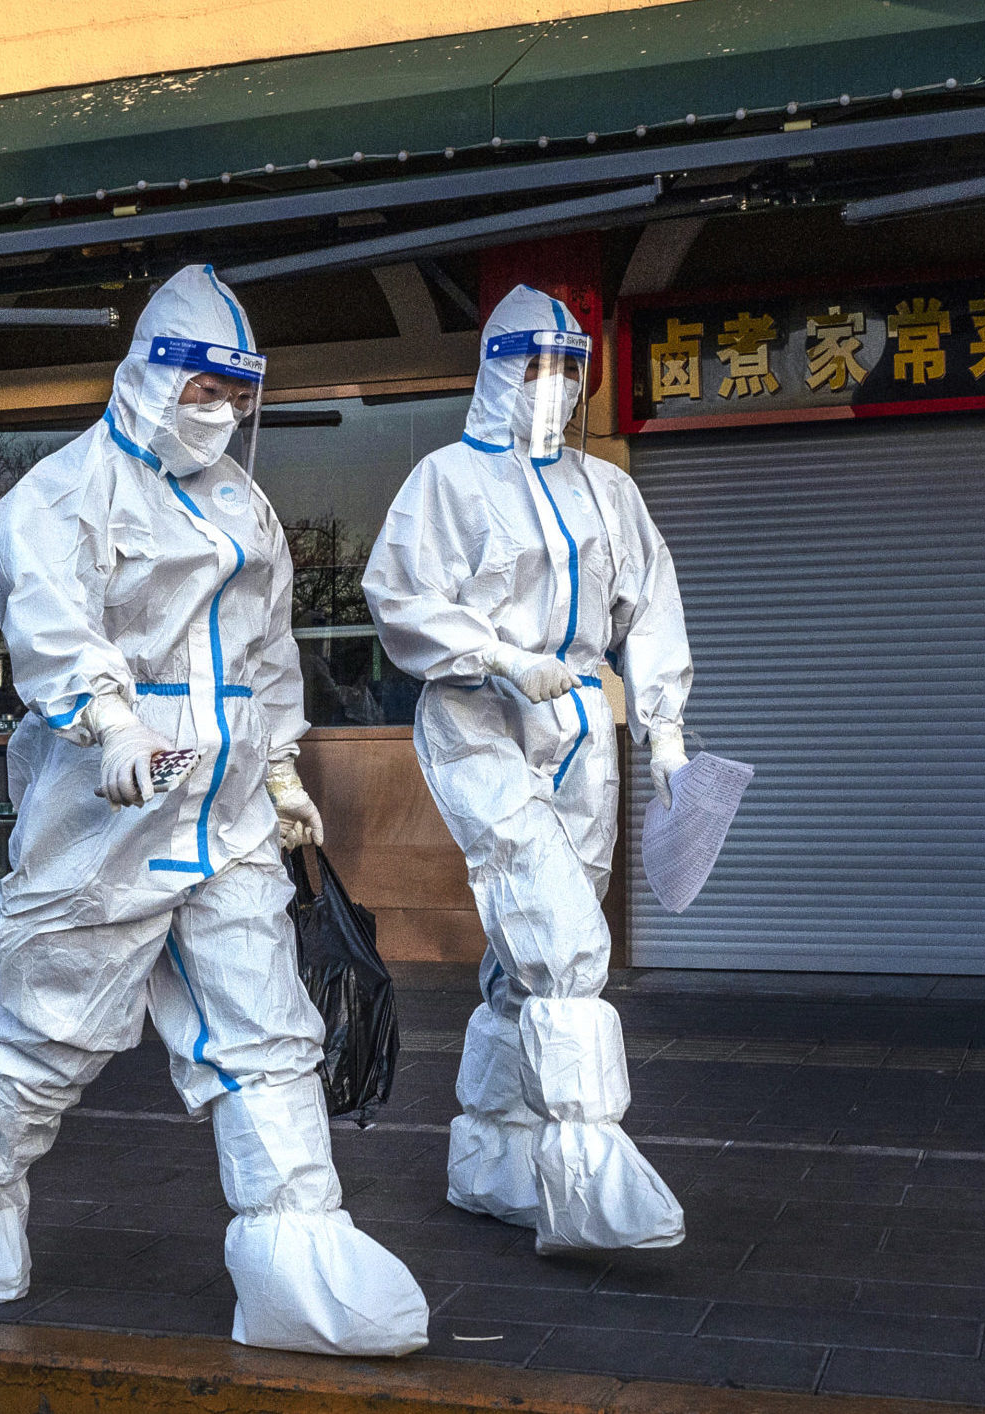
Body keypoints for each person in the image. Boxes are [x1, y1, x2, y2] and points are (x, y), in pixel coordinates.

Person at [0, 265, 428, 1358]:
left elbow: (267, 652)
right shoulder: (60, 493)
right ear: (147, 373)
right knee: (48, 1034)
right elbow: (56, 630)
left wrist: (283, 770)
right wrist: (109, 723)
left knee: (266, 1035)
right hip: (104, 820)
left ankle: (297, 1252)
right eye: (201, 387)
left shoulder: (244, 505)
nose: (220, 412)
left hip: (229, 817)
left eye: (235, 392)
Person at [361, 285, 693, 1255]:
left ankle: (490, 1159)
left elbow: (651, 598)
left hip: (582, 722)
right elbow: (397, 595)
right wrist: (499, 655)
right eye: (535, 368)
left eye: (566, 370)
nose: (553, 388)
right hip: (476, 715)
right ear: (497, 372)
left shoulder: (607, 491)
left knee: (528, 957)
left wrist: (662, 727)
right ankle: (586, 1171)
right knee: (560, 939)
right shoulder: (448, 482)